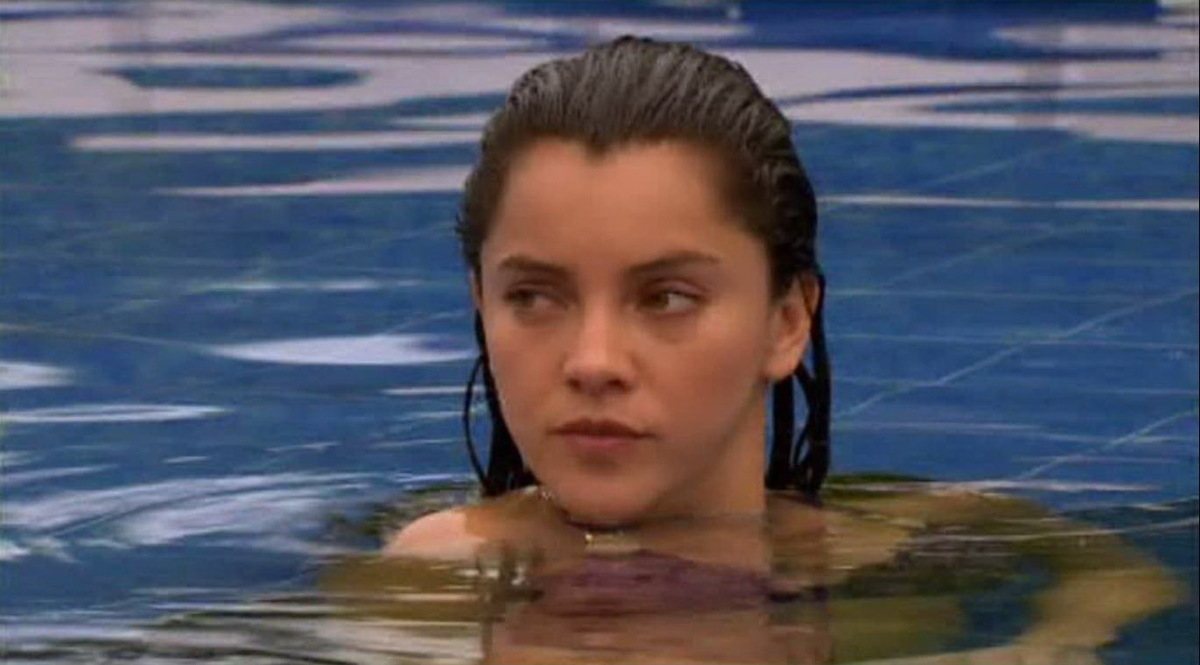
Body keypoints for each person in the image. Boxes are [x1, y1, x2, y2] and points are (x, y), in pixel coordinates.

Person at [368, 37, 1179, 664]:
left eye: (666, 297)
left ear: (785, 321)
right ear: (481, 305)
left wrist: (1043, 644)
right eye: (534, 297)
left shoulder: (899, 542)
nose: (593, 360)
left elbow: (1125, 578)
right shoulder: (438, 579)